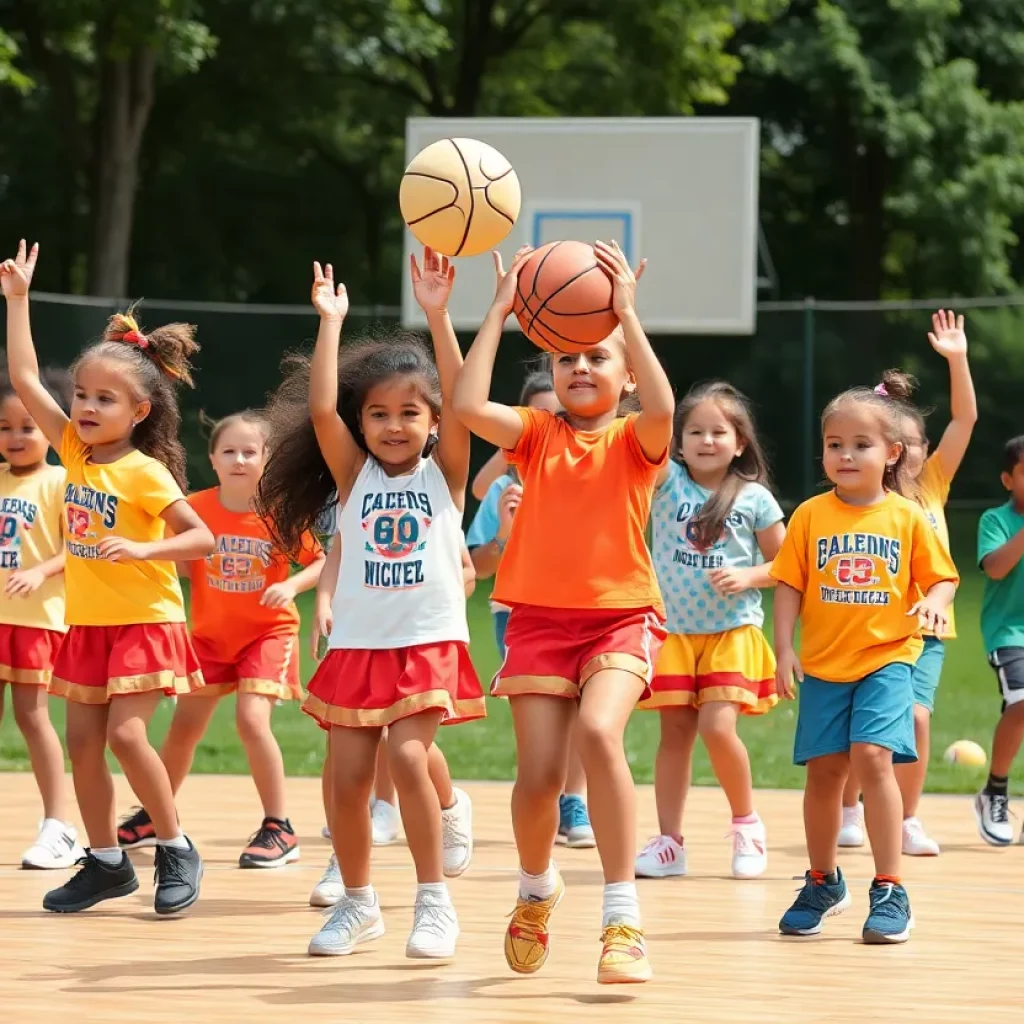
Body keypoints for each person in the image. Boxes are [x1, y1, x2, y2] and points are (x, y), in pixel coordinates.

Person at [453, 240, 674, 985]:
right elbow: (465, 406)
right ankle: (536, 887)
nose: (581, 366)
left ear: (626, 375)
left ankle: (622, 919)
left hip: (619, 619)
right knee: (539, 778)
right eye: (566, 359)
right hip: (539, 623)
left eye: (599, 356)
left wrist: (629, 317)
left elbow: (665, 403)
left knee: (599, 732)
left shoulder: (639, 440)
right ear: (549, 374)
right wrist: (497, 311)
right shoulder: (537, 436)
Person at [258, 248, 484, 959]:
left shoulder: (445, 474)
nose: (392, 424)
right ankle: (359, 904)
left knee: (410, 760)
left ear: (433, 420)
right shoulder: (351, 477)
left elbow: (459, 388)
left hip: (424, 639)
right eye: (379, 413)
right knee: (347, 780)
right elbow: (321, 406)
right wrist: (331, 323)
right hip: (359, 644)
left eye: (409, 413)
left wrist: (440, 313)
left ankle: (433, 903)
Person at [1, 240, 214, 915]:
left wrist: (142, 552)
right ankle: (105, 862)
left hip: (146, 622)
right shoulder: (72, 450)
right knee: (84, 746)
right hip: (86, 623)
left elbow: (202, 538)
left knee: (126, 735)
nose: (87, 408)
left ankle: (176, 846)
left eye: (105, 399)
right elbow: (29, 379)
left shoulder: (144, 472)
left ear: (139, 412)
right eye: (84, 396)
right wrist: (18, 301)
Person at [772, 385, 958, 945]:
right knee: (826, 773)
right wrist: (783, 648)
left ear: (892, 453)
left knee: (873, 758)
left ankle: (889, 886)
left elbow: (944, 578)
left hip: (887, 660)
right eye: (834, 444)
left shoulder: (906, 516)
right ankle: (823, 880)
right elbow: (787, 584)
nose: (845, 455)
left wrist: (934, 602)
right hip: (826, 666)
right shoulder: (809, 515)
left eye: (860, 444)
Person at [116, 410, 326, 867]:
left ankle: (279, 826)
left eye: (250, 451)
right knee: (183, 729)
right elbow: (173, 559)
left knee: (252, 721)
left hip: (267, 634)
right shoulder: (196, 509)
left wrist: (291, 585)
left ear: (267, 460)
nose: (238, 459)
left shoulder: (281, 512)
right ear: (212, 459)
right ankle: (157, 814)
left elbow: (322, 561)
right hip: (209, 638)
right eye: (228, 450)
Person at [840, 310, 976, 856]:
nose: (915, 451)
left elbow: (964, 421)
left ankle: (907, 819)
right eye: (904, 442)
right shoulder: (861, 498)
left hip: (927, 632)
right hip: (867, 628)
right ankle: (851, 808)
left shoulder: (932, 486)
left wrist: (957, 359)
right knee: (860, 729)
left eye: (920, 442)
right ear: (885, 447)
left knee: (917, 718)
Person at [635, 381, 784, 880]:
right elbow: (641, 426)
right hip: (673, 633)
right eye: (694, 431)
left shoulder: (755, 498)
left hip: (732, 630)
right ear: (678, 443)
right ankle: (669, 843)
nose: (705, 440)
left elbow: (788, 563)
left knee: (717, 728)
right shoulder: (665, 481)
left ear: (739, 442)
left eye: (718, 431)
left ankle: (746, 823)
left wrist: (750, 576)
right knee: (674, 736)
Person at [307, 527, 475, 910]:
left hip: (417, 638)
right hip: (359, 636)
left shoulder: (432, 496)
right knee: (341, 750)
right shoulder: (355, 490)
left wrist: (440, 599)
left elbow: (468, 572)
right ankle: (343, 861)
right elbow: (339, 550)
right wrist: (324, 600)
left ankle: (448, 807)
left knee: (407, 747)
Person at [466, 367, 595, 849]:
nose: (548, 423)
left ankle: (574, 798)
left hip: (586, 610)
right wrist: (505, 529)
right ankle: (550, 798)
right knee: (547, 715)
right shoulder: (504, 489)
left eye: (555, 414)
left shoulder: (593, 473)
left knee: (586, 708)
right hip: (520, 615)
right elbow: (480, 564)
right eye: (536, 416)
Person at [0, 366, 82, 868]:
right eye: (4, 427)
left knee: (32, 718)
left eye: (27, 426)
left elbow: (79, 547)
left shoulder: (60, 481)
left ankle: (59, 824)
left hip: (38, 619)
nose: (15, 436)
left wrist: (41, 572)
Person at [973, 436, 1024, 845]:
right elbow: (994, 569)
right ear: (1008, 479)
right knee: (1022, 701)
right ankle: (996, 789)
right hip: (1009, 632)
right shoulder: (996, 520)